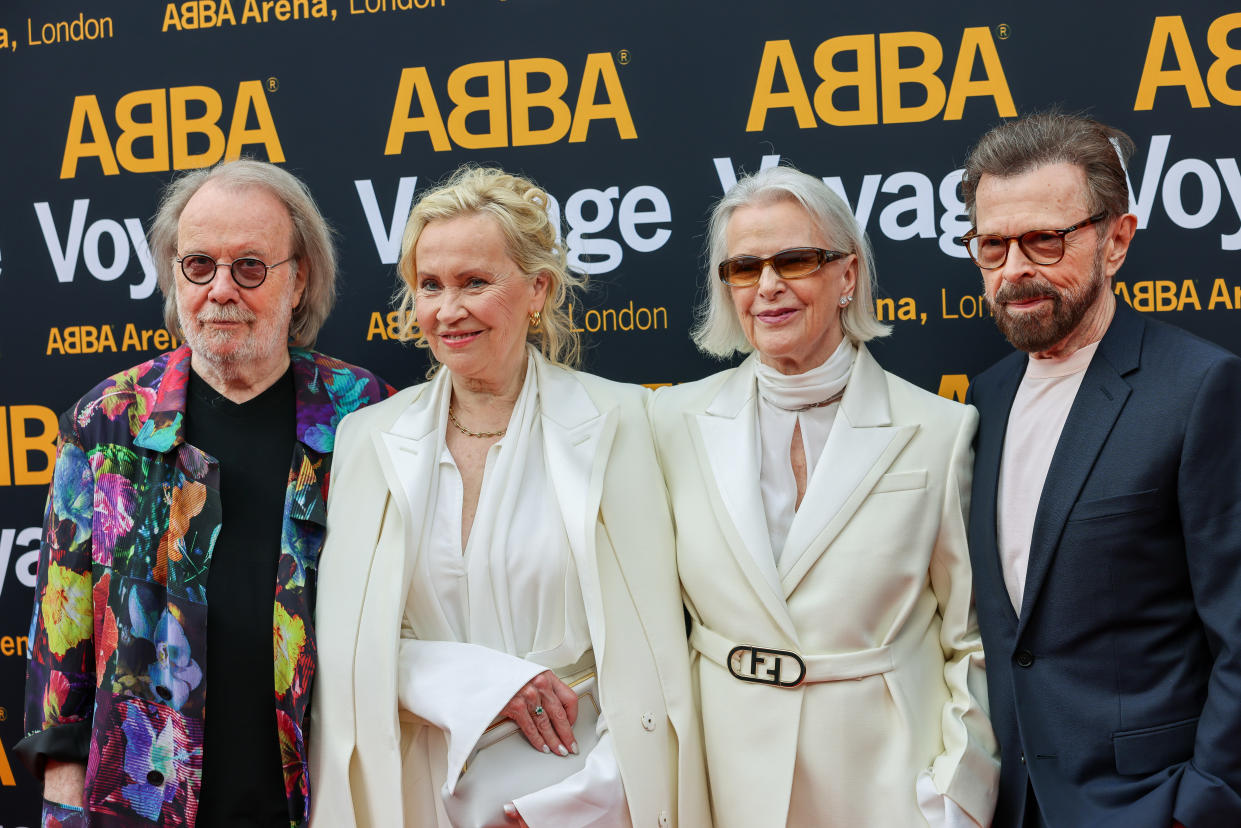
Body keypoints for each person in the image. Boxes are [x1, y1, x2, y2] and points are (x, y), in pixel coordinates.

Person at [308, 166, 708, 827]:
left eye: (474, 282)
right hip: (414, 793)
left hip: (580, 790)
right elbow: (352, 648)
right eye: (428, 285)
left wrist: (575, 804)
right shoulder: (367, 437)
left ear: (536, 289)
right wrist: (483, 685)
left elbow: (658, 656)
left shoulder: (627, 424)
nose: (447, 309)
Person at [16, 159, 390, 828]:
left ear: (298, 278)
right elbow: (59, 640)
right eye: (198, 266)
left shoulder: (365, 416)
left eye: (250, 267)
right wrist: (63, 803)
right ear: (173, 275)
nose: (221, 290)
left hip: (328, 797)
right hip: (145, 800)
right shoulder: (108, 424)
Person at [648, 165, 999, 827]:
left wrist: (954, 797)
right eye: (744, 267)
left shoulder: (938, 430)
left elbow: (972, 640)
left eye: (795, 260)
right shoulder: (669, 426)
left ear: (847, 275)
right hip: (723, 781)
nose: (769, 286)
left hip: (888, 781)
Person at [959, 111, 1241, 827]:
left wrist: (1200, 805)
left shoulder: (1198, 387)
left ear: (1115, 239)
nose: (1014, 268)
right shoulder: (985, 396)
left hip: (1149, 804)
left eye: (1043, 240)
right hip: (1011, 805)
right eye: (992, 245)